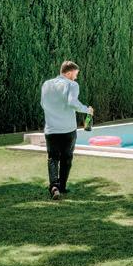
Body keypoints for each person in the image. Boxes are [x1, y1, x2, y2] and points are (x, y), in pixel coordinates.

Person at [40, 61, 93, 200]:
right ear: (68, 73)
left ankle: (54, 186)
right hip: (67, 129)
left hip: (51, 129)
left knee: (53, 158)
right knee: (66, 158)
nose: (76, 77)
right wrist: (87, 110)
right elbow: (72, 102)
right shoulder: (72, 85)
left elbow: (43, 104)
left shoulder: (46, 84)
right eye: (75, 74)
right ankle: (62, 186)